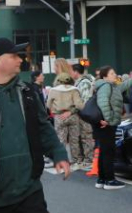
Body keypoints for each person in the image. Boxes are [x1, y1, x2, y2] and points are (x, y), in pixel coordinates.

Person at [0, 38, 70, 213]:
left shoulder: (27, 92)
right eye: (14, 55)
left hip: (29, 190)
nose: (20, 59)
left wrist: (58, 153)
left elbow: (43, 127)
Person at [94, 65, 132, 190]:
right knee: (108, 152)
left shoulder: (113, 86)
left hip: (107, 124)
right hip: (107, 124)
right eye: (112, 73)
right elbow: (103, 103)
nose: (115, 75)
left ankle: (102, 179)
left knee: (104, 151)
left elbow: (125, 84)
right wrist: (108, 120)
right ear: (105, 76)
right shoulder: (106, 86)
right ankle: (109, 180)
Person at [46, 73, 86, 168]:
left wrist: (55, 111)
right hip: (73, 116)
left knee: (61, 140)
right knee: (74, 140)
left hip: (59, 117)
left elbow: (48, 105)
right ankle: (76, 161)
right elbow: (80, 106)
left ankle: (62, 161)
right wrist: (71, 111)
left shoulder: (53, 90)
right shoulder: (74, 90)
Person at [70, 63, 96, 170]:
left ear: (76, 71)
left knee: (86, 137)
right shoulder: (79, 83)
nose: (70, 73)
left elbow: (85, 100)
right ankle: (85, 159)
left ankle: (89, 160)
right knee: (82, 137)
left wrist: (74, 109)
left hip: (84, 114)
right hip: (81, 114)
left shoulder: (84, 83)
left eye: (71, 71)